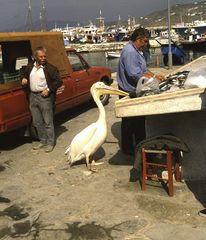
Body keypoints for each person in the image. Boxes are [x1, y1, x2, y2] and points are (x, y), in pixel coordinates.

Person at [117, 27, 164, 156]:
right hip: (128, 90)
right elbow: (134, 73)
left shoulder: (137, 50)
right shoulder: (130, 52)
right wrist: (153, 79)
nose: (145, 44)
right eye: (144, 41)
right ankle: (127, 148)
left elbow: (143, 70)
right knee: (129, 120)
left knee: (138, 119)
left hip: (136, 88)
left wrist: (154, 75)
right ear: (138, 39)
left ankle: (140, 143)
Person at [21, 46, 63, 152]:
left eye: (45, 56)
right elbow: (23, 74)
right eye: (41, 56)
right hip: (32, 96)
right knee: (37, 122)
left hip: (44, 97)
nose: (43, 58)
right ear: (36, 57)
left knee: (48, 122)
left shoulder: (50, 68)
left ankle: (50, 143)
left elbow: (58, 81)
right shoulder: (30, 66)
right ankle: (43, 141)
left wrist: (48, 89)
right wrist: (23, 78)